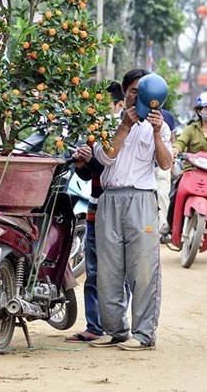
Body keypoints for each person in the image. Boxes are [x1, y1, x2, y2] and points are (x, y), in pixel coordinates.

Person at [89, 69, 173, 351]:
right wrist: (123, 127)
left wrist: (158, 132)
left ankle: (144, 334)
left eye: (145, 92)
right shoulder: (108, 122)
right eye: (134, 90)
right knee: (108, 269)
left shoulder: (160, 125)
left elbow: (165, 164)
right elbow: (104, 158)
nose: (139, 96)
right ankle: (115, 331)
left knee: (144, 269)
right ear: (124, 91)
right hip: (110, 199)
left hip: (141, 199)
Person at [65, 81, 125, 342]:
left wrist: (92, 161)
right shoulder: (93, 132)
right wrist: (81, 163)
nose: (97, 111)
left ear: (118, 106)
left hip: (117, 209)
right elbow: (90, 175)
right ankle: (94, 326)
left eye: (103, 106)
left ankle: (118, 326)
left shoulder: (124, 136)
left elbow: (115, 174)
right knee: (93, 270)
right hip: (95, 208)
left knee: (118, 272)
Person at [160, 91, 207, 237]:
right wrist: (175, 150)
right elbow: (180, 142)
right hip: (191, 170)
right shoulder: (191, 129)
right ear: (200, 111)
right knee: (175, 194)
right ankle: (169, 224)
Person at [155, 109, 176, 229]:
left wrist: (171, 164)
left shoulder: (168, 116)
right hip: (142, 168)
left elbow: (172, 141)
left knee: (162, 195)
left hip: (161, 167)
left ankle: (160, 229)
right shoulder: (135, 116)